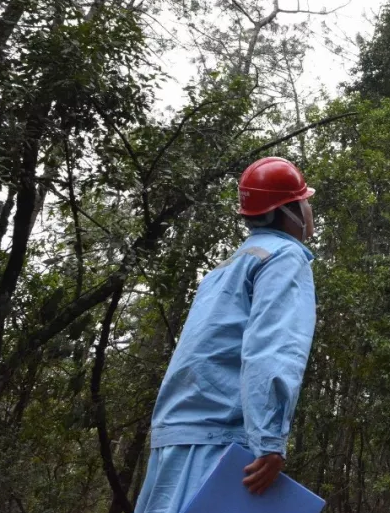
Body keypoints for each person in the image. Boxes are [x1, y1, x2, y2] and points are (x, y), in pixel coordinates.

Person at [134, 156, 318, 513]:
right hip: (220, 445)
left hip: (173, 443)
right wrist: (268, 439)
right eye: (305, 200)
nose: (309, 209)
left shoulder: (227, 267)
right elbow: (272, 348)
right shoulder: (284, 257)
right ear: (288, 210)